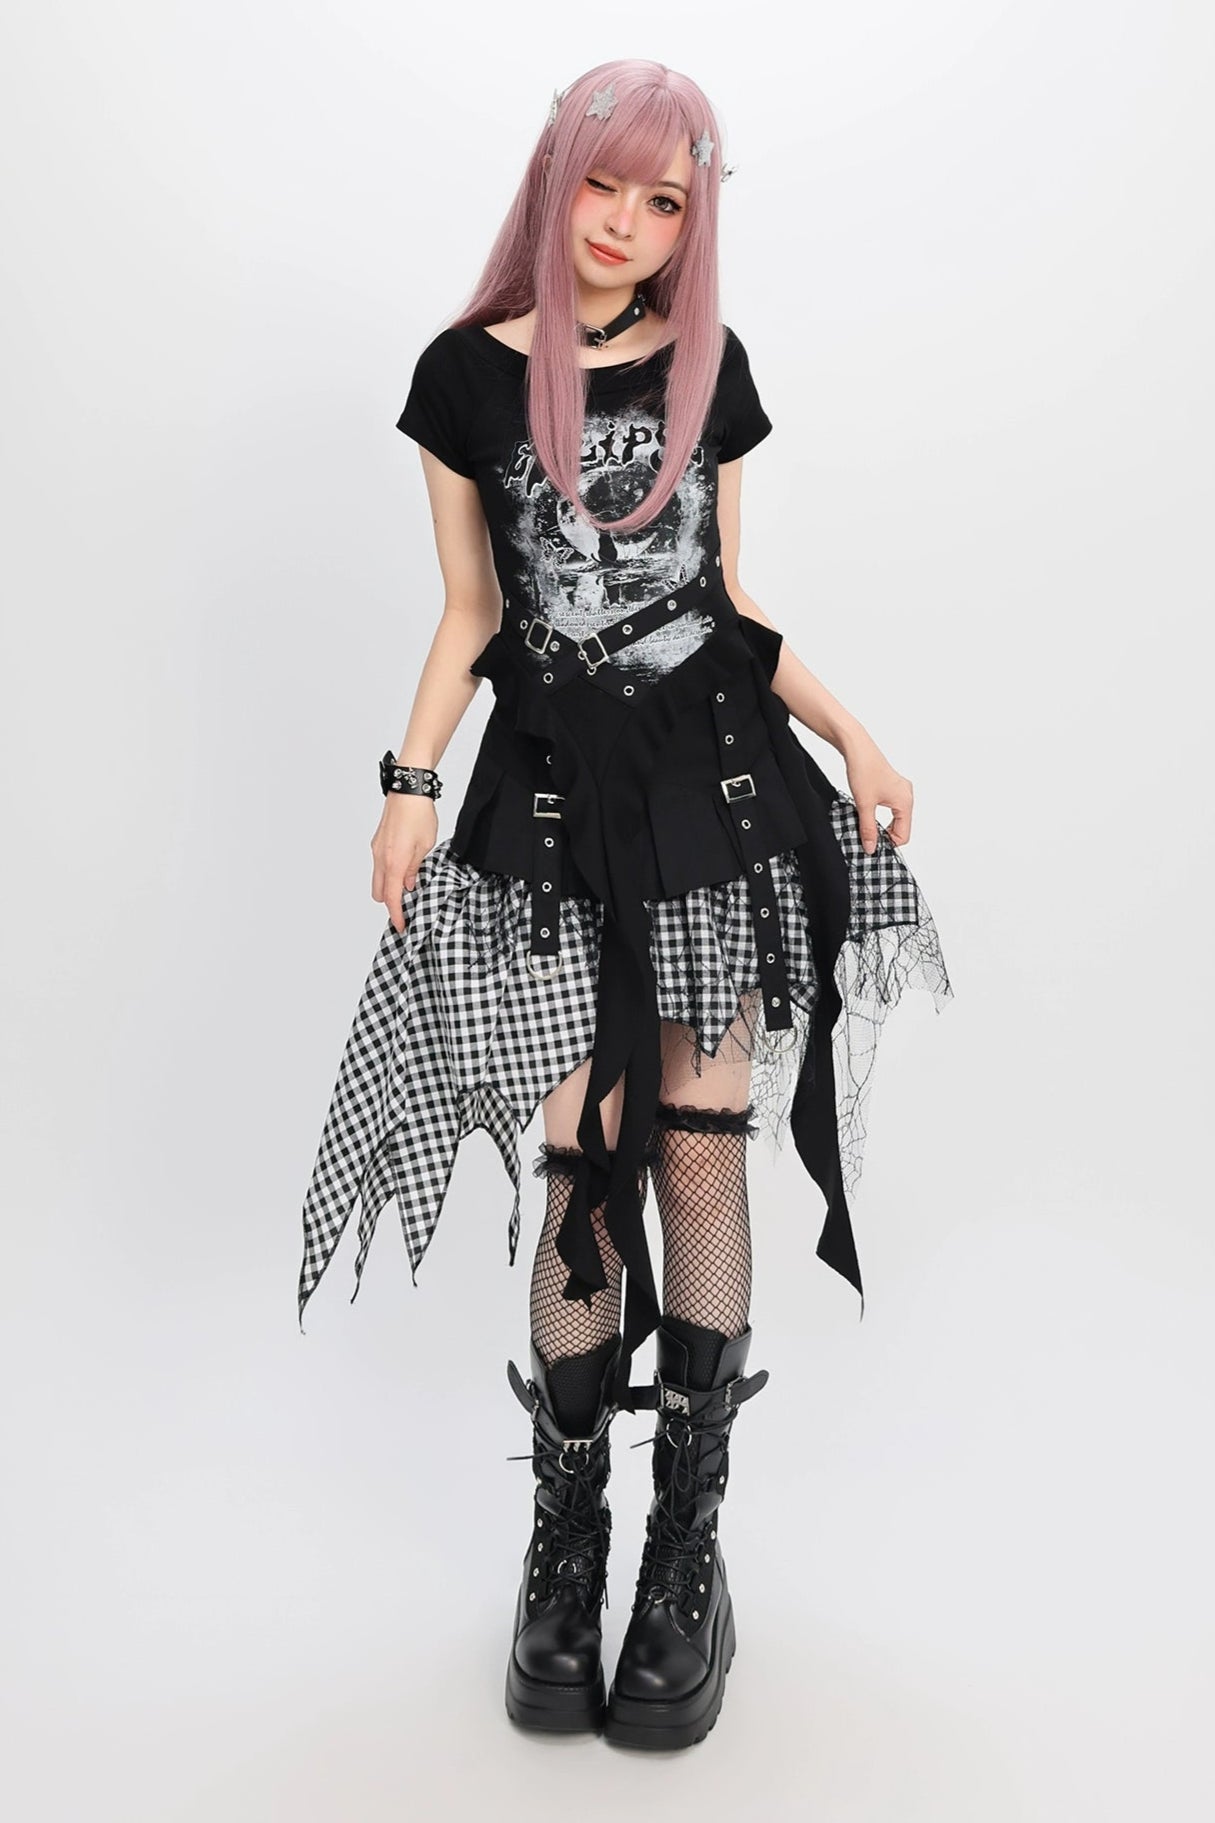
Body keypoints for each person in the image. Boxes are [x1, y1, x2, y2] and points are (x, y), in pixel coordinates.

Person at [297, 58, 953, 1751]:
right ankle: (566, 1540)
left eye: (668, 202)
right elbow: (471, 611)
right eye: (607, 185)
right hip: (550, 809)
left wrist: (856, 732)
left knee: (702, 1151)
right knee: (585, 1157)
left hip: (715, 794)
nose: (628, 224)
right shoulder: (463, 374)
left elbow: (723, 599)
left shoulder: (708, 366)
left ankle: (683, 1552)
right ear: (556, 175)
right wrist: (410, 781)